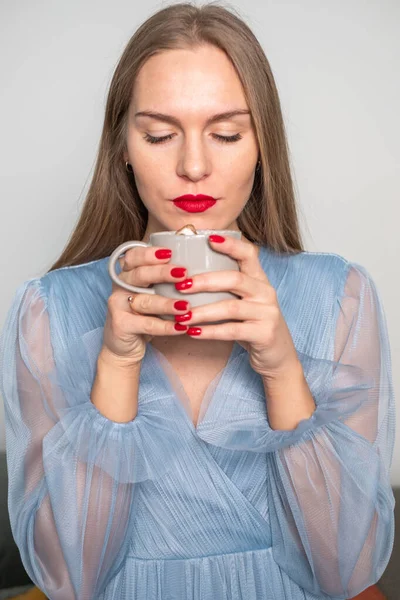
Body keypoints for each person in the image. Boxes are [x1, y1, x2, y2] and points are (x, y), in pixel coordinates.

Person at [0, 3, 395, 599]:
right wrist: (116, 365)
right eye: (159, 134)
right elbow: (68, 579)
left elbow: (348, 572)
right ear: (123, 147)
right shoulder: (45, 311)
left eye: (227, 134)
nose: (193, 165)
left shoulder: (341, 296)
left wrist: (282, 368)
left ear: (263, 145)